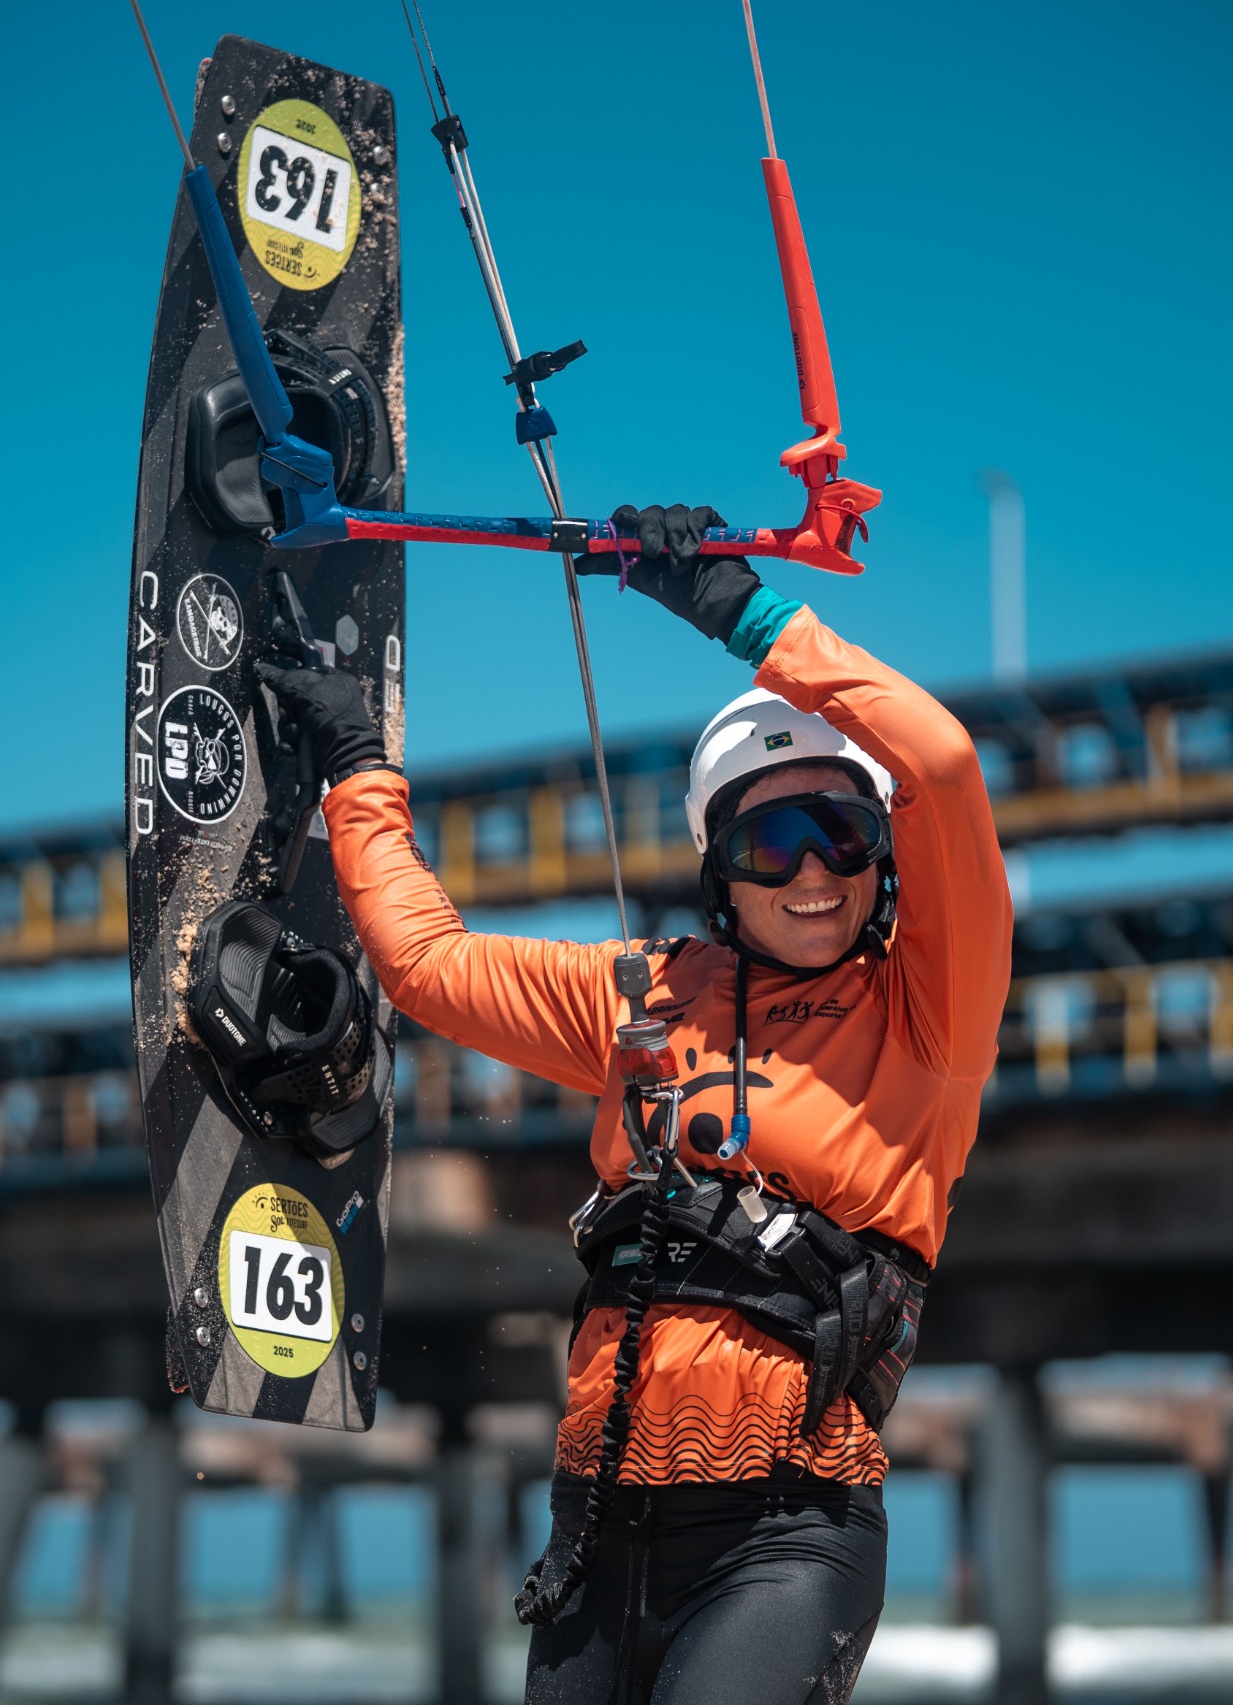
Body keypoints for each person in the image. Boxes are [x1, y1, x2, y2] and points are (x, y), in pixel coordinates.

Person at [260, 504, 1012, 1704]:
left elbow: (940, 763)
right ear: (722, 868)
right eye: (773, 842)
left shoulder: (930, 1010)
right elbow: (429, 967)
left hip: (784, 1535)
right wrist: (358, 774)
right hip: (592, 1535)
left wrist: (740, 609)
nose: (812, 872)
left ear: (883, 858)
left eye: (841, 834)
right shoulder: (643, 995)